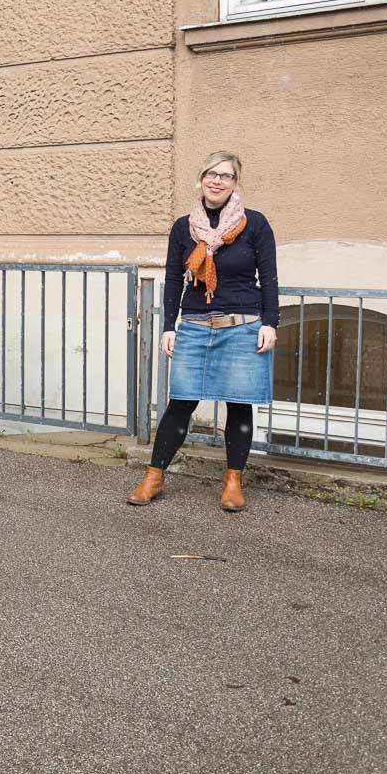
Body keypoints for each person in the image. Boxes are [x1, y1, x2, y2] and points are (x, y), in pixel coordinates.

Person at [128, 151, 277, 512]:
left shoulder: (254, 224)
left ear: (235, 182)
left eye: (225, 175)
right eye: (211, 173)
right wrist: (169, 326)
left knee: (238, 404)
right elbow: (174, 279)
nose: (217, 180)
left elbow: (269, 277)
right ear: (201, 178)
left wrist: (270, 322)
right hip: (195, 327)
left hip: (242, 326)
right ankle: (154, 476)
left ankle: (232, 481)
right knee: (181, 402)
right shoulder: (184, 227)